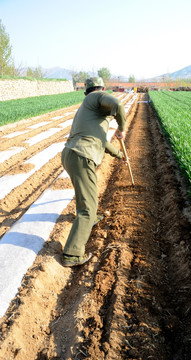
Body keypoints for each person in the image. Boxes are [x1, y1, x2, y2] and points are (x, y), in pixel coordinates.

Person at [61, 77, 126, 267]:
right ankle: (72, 254)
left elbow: (102, 141)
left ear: (84, 92)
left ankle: (91, 218)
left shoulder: (88, 109)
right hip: (81, 155)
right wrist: (122, 128)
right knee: (87, 208)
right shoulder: (96, 97)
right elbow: (119, 104)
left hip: (72, 154)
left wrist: (119, 155)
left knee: (87, 195)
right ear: (103, 89)